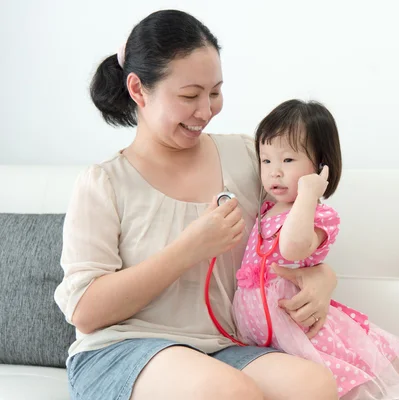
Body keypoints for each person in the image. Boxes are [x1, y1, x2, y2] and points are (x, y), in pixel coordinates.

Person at [54, 9, 340, 400]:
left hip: (223, 347)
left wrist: (323, 278)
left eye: (215, 92)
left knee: (315, 384)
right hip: (123, 350)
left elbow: (291, 233)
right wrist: (190, 248)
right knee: (228, 391)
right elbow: (85, 311)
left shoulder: (248, 157)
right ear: (138, 90)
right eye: (190, 96)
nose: (206, 111)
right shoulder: (103, 183)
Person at [229, 99, 399, 399]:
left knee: (350, 354)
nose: (274, 172)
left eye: (288, 161)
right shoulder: (263, 210)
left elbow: (291, 248)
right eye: (266, 161)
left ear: (321, 166)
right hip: (261, 329)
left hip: (296, 322)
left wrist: (309, 194)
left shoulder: (317, 216)